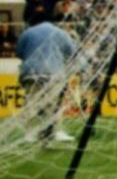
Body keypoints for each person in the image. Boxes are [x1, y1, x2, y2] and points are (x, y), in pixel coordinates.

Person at [16, 11, 78, 142]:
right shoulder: (60, 33)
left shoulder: (27, 33)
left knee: (32, 103)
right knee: (53, 105)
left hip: (31, 73)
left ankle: (30, 134)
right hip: (53, 72)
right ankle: (56, 131)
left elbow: (19, 53)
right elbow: (72, 51)